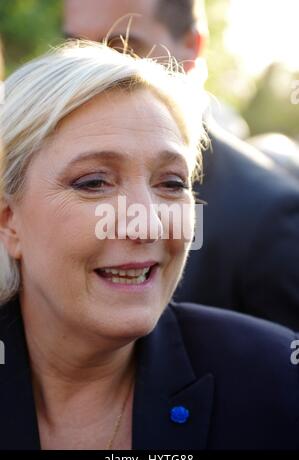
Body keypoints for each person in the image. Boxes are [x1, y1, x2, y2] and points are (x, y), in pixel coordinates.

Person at [0, 41, 298, 450]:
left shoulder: (276, 380)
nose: (149, 221)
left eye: (172, 184)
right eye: (94, 183)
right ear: (8, 221)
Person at [64, 0, 299, 330]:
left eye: (121, 47)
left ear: (191, 47)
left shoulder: (267, 212)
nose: (89, 73)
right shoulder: (30, 174)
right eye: (75, 48)